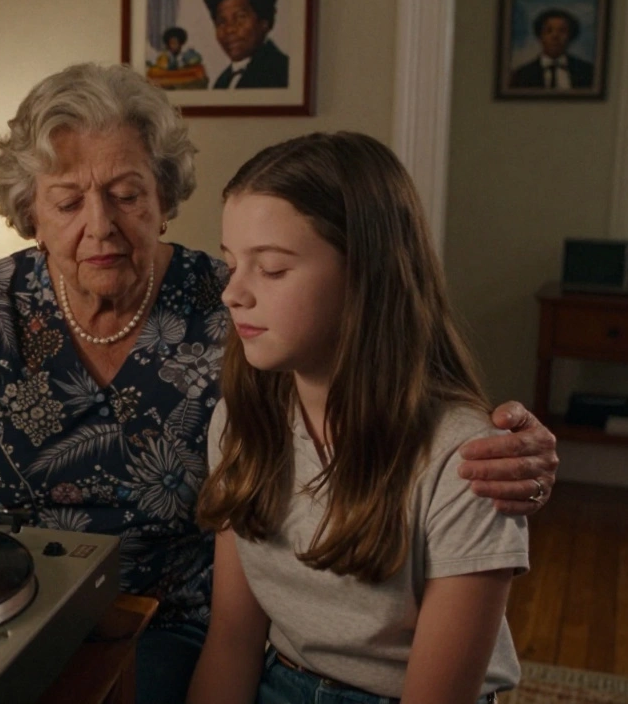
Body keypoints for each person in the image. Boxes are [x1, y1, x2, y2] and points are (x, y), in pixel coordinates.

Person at [0, 63, 558, 704]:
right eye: (67, 201)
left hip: (170, 618)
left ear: (165, 197)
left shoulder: (232, 306)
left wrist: (515, 447)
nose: (100, 225)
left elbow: (382, 387)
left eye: (126, 195)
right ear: (30, 212)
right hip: (12, 602)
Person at [188, 132, 528, 704]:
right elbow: (231, 641)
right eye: (230, 263)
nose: (233, 293)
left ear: (366, 277)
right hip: (280, 679)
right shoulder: (241, 420)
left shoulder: (466, 459)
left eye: (271, 269)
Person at [204, 0, 288, 90]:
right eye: (221, 22)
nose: (229, 29)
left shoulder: (282, 73)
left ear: (264, 22)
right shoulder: (222, 82)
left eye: (240, 17)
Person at [509, 8, 595, 90]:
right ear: (540, 36)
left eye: (562, 31)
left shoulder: (587, 72)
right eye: (548, 30)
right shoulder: (522, 75)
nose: (555, 36)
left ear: (571, 36)